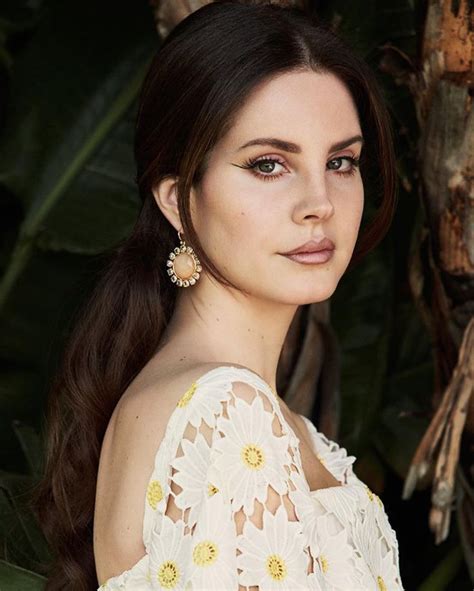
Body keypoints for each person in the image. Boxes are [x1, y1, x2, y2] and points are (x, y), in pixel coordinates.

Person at [30, 1, 404, 589]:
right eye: (267, 164)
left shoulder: (252, 415)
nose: (320, 203)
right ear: (179, 199)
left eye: (340, 161)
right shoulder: (226, 414)